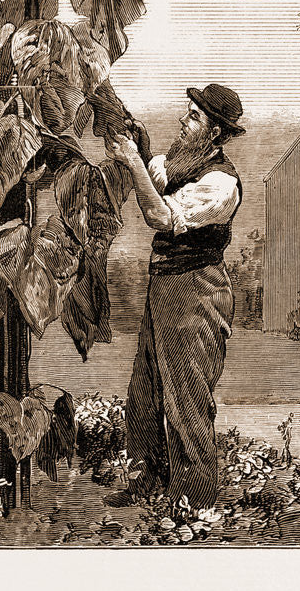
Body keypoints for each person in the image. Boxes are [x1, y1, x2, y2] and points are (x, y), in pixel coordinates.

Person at [103, 83, 246, 510]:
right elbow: (154, 172)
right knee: (145, 389)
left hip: (197, 290)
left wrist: (131, 160)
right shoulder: (179, 161)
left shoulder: (221, 183)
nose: (184, 121)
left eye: (194, 117)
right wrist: (137, 145)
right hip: (165, 285)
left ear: (216, 133)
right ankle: (146, 479)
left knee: (186, 396)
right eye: (186, 112)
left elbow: (160, 215)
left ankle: (193, 502)